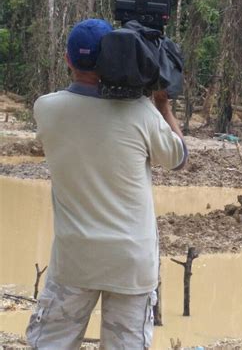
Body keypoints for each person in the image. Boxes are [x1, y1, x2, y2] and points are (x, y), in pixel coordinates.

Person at [26, 18, 187, 349]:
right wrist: (162, 104)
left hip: (75, 259)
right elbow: (179, 158)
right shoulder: (142, 114)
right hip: (131, 263)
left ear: (68, 60)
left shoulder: (46, 109)